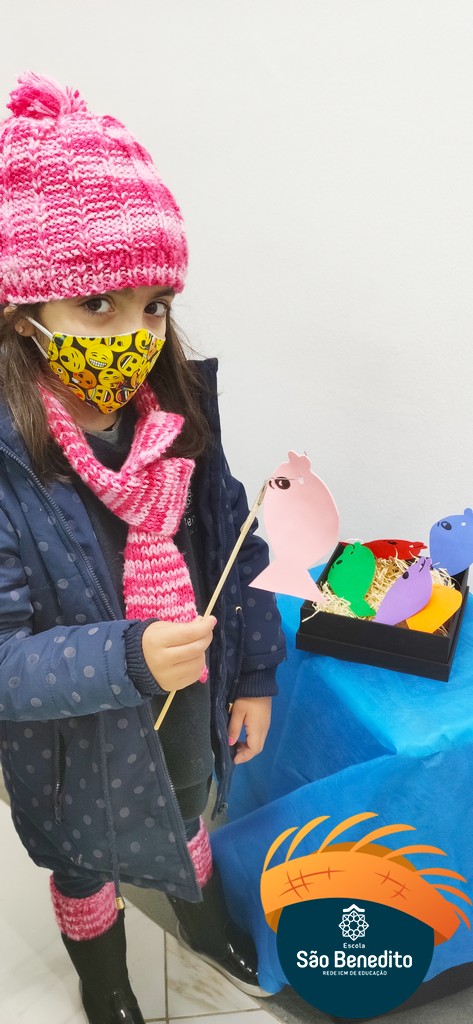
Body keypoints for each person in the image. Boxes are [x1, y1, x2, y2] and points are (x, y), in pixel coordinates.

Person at [0, 71, 286, 1024]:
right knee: (84, 861)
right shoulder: (8, 462)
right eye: (98, 304)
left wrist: (252, 674)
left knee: (188, 804)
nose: (135, 334)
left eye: (154, 304)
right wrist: (126, 657)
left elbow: (234, 550)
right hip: (70, 735)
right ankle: (106, 977)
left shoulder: (181, 414)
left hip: (189, 693)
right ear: (24, 315)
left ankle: (200, 921)